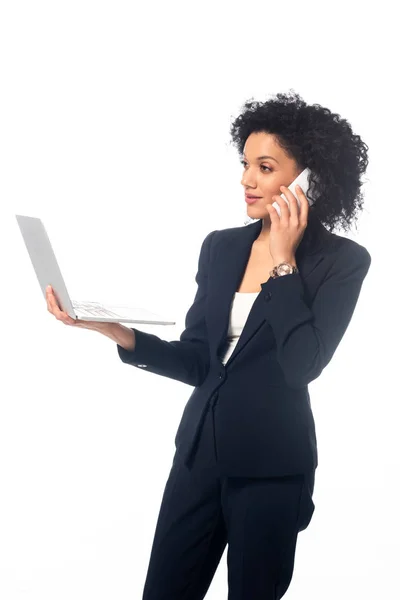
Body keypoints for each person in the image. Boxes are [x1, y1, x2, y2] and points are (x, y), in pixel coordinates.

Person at [46, 90, 372, 599]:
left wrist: (284, 262)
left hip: (271, 471)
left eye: (265, 167)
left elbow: (302, 365)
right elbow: (200, 360)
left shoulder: (343, 261)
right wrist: (117, 332)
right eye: (246, 164)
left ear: (311, 179)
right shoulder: (221, 247)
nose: (246, 180)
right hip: (198, 457)